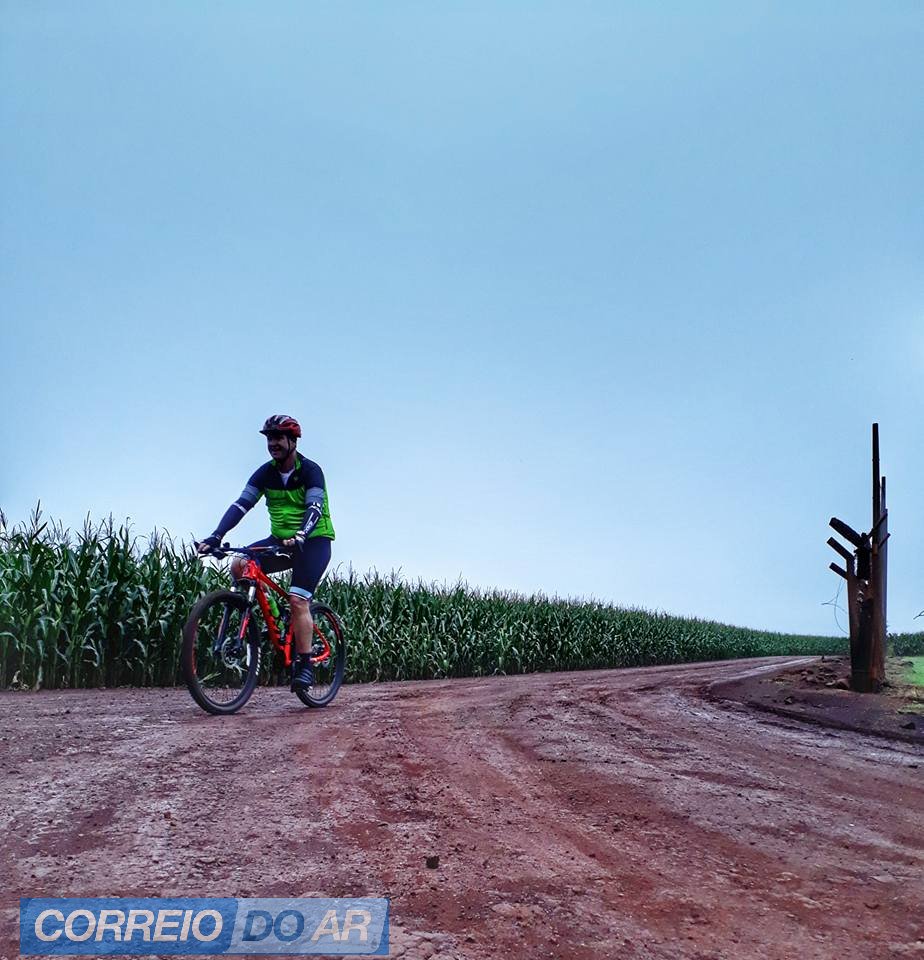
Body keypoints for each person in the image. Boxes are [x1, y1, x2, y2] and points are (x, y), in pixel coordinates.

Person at [198, 415, 335, 691]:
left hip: (313, 541)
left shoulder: (310, 471)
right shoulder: (265, 473)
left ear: (293, 441)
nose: (273, 443)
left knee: (298, 600)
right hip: (280, 540)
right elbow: (241, 505)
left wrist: (301, 534)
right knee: (240, 564)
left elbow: (314, 508)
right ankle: (274, 616)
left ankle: (305, 666)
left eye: (278, 438)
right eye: (269, 438)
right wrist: (216, 535)